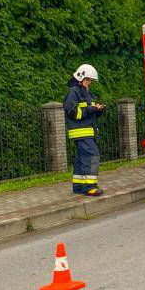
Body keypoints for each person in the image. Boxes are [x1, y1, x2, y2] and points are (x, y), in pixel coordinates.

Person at [64, 64, 106, 196]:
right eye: (87, 80)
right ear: (80, 78)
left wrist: (98, 110)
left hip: (88, 132)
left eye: (90, 80)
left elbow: (89, 114)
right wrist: (90, 109)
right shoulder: (74, 92)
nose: (89, 83)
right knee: (92, 156)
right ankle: (89, 187)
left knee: (81, 159)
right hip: (81, 132)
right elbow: (71, 112)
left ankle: (78, 186)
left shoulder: (86, 93)